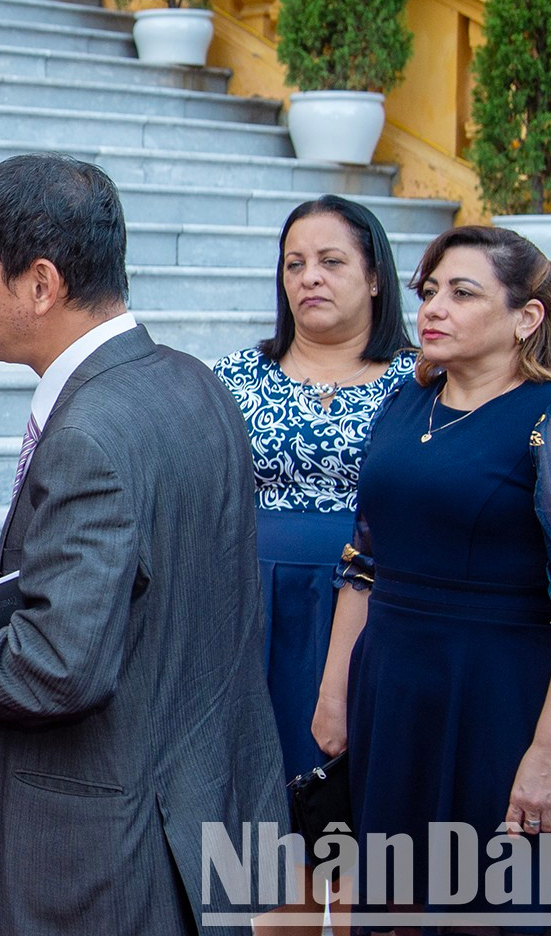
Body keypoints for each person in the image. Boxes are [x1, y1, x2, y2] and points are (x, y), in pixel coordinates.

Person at [0, 152, 285, 935]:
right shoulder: (194, 381)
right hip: (200, 806)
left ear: (42, 283)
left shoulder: (91, 430)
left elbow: (59, 666)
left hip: (107, 849)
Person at [312, 226, 551, 922]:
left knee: (491, 904)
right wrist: (334, 689)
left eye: (462, 293)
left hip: (502, 697)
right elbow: (365, 561)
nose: (433, 308)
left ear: (526, 317)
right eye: (429, 291)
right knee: (392, 900)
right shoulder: (407, 402)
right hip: (393, 692)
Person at [211, 196, 417, 779]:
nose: (310, 278)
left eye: (331, 261)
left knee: (345, 803)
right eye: (294, 264)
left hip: (375, 601)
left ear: (375, 277)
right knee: (253, 791)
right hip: (249, 601)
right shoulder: (235, 376)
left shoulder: (423, 383)